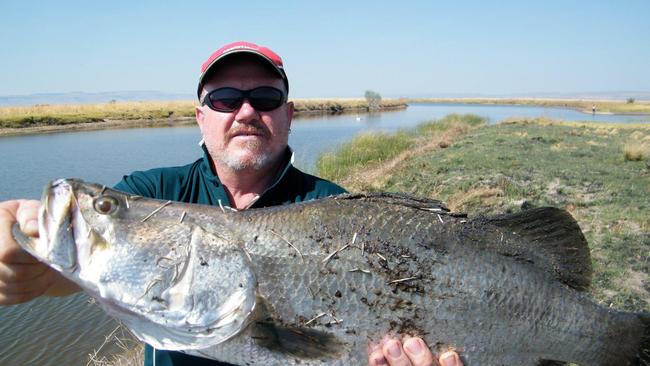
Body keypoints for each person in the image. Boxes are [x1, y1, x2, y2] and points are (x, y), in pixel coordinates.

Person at [0, 41, 463, 366]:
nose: (245, 112)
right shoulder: (153, 193)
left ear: (289, 114)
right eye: (224, 99)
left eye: (264, 97)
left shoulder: (340, 212)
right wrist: (29, 266)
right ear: (201, 118)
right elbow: (86, 271)